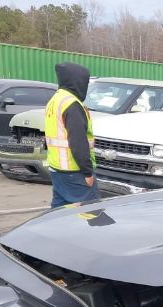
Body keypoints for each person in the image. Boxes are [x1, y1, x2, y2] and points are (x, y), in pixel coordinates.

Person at [45, 62, 98, 208]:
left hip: (57, 168)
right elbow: (78, 142)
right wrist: (87, 173)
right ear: (77, 81)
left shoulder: (55, 100)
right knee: (91, 213)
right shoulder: (72, 104)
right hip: (75, 172)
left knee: (60, 212)